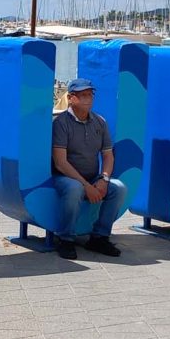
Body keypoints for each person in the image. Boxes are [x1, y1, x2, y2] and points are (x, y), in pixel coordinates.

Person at [51, 78, 127, 260]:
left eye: (90, 95)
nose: (88, 99)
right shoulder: (61, 123)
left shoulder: (100, 122)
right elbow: (60, 162)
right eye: (82, 95)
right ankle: (66, 239)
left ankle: (99, 237)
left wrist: (104, 179)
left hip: (92, 178)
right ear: (71, 98)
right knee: (74, 188)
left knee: (119, 188)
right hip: (65, 178)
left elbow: (108, 155)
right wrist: (86, 186)